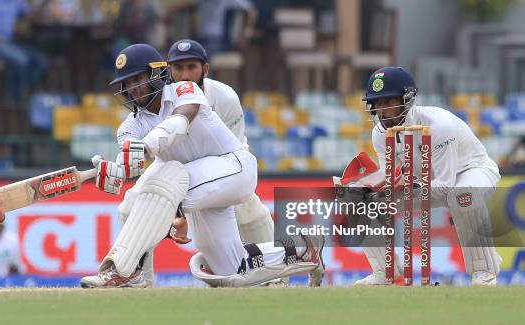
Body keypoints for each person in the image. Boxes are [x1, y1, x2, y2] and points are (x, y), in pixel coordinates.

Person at [80, 43, 324, 288]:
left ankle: (124, 268)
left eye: (138, 79)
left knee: (164, 177)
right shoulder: (129, 126)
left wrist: (145, 147)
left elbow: (180, 121)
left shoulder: (184, 91)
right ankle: (303, 249)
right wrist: (115, 172)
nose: (133, 89)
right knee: (230, 270)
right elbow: (130, 161)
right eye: (128, 83)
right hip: (199, 186)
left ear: (157, 74)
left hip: (234, 168)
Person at [112, 39, 276, 287]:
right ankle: (138, 280)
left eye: (191, 67)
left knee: (249, 211)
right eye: (178, 68)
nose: (184, 75)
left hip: (224, 164)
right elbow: (133, 154)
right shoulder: (136, 118)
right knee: (129, 207)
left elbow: (192, 127)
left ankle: (275, 280)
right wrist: (114, 169)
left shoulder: (217, 95)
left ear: (205, 69)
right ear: (168, 69)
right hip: (176, 165)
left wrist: (179, 206)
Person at [347, 66, 502, 285]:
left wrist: (407, 186)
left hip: (471, 172)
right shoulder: (379, 134)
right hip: (427, 183)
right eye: (378, 103)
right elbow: (391, 176)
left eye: (388, 102)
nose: (382, 110)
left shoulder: (439, 125)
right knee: (359, 202)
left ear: (407, 99)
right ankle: (387, 272)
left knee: (462, 196)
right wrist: (371, 189)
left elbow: (446, 185)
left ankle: (484, 272)